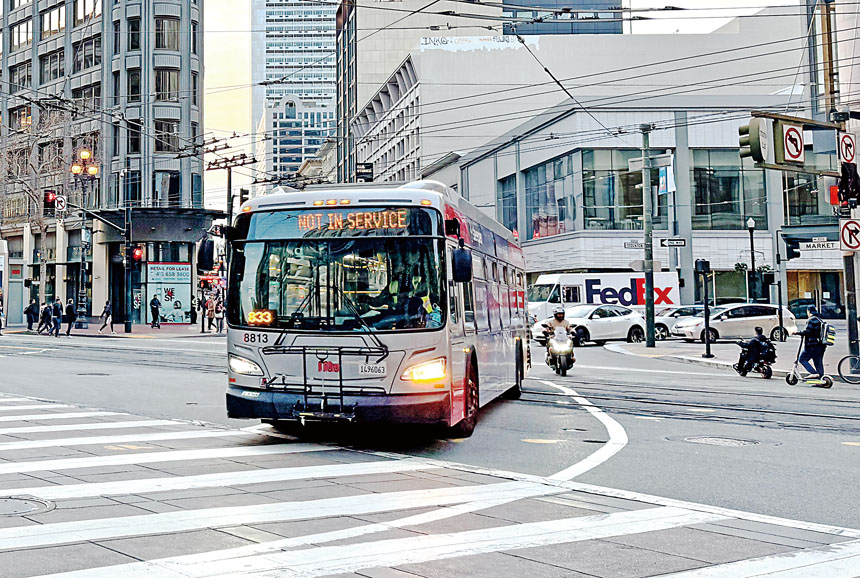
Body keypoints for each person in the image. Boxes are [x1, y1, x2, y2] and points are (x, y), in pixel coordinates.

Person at [798, 305, 827, 382]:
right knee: (818, 362)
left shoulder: (811, 320)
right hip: (821, 345)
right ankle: (821, 380)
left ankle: (814, 373)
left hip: (812, 345)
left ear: (809, 311)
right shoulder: (819, 319)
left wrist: (798, 333)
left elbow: (808, 332)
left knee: (802, 359)